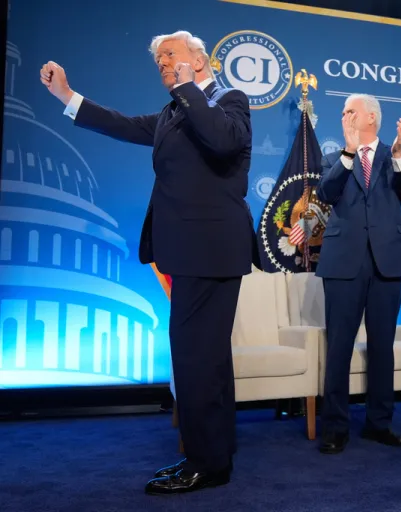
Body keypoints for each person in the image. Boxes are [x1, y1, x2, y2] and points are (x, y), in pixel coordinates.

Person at [40, 30, 257, 494]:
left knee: (196, 357)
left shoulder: (230, 100)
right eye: (158, 60)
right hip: (190, 250)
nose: (163, 64)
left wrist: (185, 90)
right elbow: (122, 124)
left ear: (199, 59)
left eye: (171, 55)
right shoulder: (172, 113)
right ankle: (215, 454)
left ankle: (203, 462)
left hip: (212, 248)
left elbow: (221, 141)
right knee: (206, 357)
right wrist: (67, 96)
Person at [315, 93, 401, 454]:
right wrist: (347, 153)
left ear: (372, 118)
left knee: (382, 347)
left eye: (351, 111)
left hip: (387, 261)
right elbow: (327, 192)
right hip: (344, 262)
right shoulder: (333, 157)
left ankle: (379, 423)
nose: (344, 115)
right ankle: (334, 428)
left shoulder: (395, 157)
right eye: (343, 111)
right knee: (339, 347)